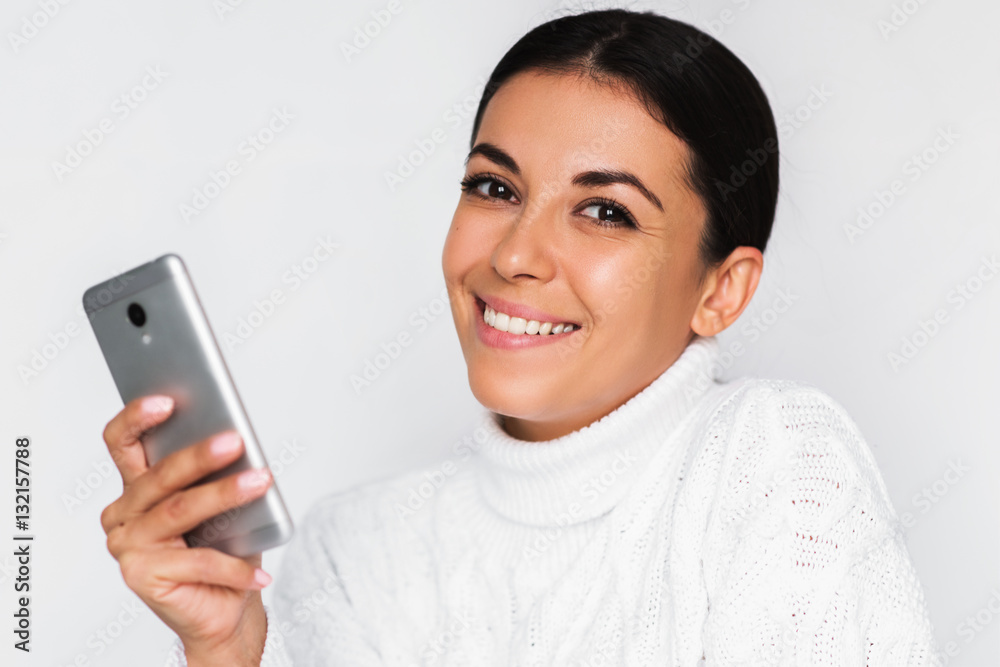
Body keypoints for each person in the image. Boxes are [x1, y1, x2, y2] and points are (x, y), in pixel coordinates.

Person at [98, 8, 940, 666]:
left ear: (722, 290)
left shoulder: (772, 457)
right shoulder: (354, 546)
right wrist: (227, 649)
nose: (512, 255)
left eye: (604, 210)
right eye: (495, 188)